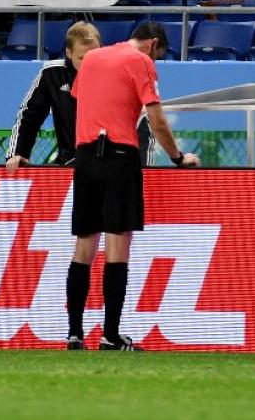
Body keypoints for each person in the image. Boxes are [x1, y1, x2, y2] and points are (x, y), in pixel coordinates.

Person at [66, 21, 200, 352]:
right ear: (153, 44)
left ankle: (74, 334)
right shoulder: (141, 61)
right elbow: (157, 121)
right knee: (116, 247)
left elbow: (80, 99)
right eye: (160, 55)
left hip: (84, 158)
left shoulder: (94, 58)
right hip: (119, 156)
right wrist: (178, 156)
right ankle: (110, 335)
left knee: (84, 247)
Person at [6, 22, 102, 173]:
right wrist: (18, 152)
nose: (90, 63)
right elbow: (29, 115)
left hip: (107, 165)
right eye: (82, 58)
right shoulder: (52, 73)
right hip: (68, 164)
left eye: (95, 55)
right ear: (69, 53)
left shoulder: (113, 72)